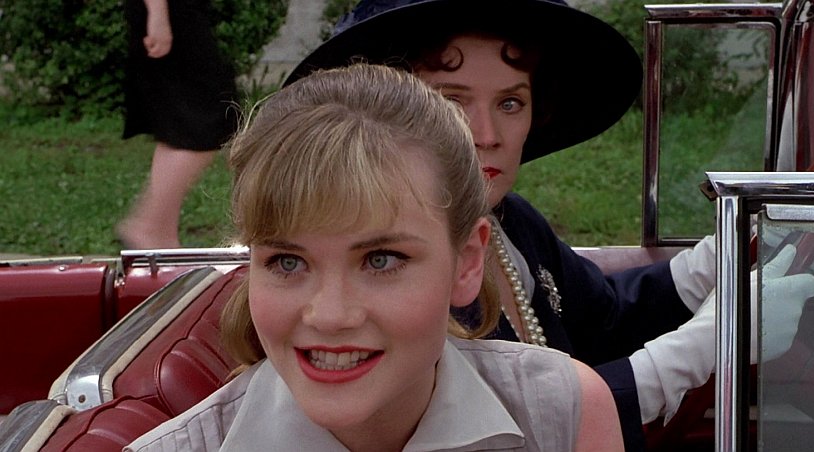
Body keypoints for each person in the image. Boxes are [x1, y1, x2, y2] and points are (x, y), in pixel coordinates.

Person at [283, 0, 814, 449]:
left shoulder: (508, 222)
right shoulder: (382, 269)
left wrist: (719, 255)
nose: (486, 134)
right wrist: (708, 345)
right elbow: (519, 427)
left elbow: (605, 316)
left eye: (510, 102)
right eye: (450, 102)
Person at [125, 63, 624, 451]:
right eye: (288, 262)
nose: (330, 315)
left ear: (468, 262)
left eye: (381, 260)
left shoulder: (563, 414)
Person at [117, 0, 239, 249]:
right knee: (209, 120)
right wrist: (158, 14)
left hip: (173, 13)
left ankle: (160, 236)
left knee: (179, 127)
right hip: (171, 13)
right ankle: (149, 229)